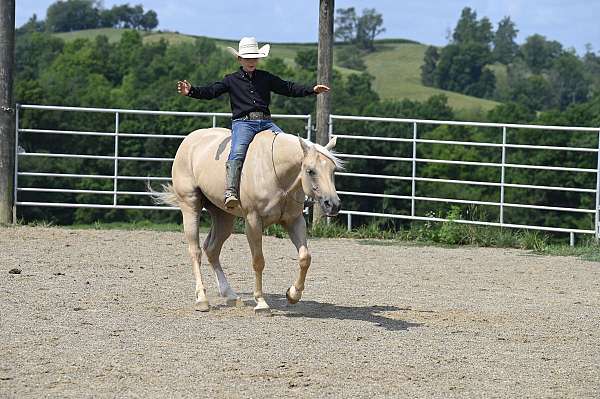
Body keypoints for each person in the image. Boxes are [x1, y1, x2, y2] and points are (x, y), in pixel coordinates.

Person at [177, 37, 330, 209]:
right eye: (247, 58)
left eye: (254, 58)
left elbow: (288, 87)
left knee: (290, 149)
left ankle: (298, 194)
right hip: (243, 123)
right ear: (239, 59)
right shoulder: (230, 80)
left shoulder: (266, 78)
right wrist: (191, 91)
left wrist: (311, 89)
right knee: (237, 152)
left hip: (266, 122)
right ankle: (231, 191)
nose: (251, 61)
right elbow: (211, 91)